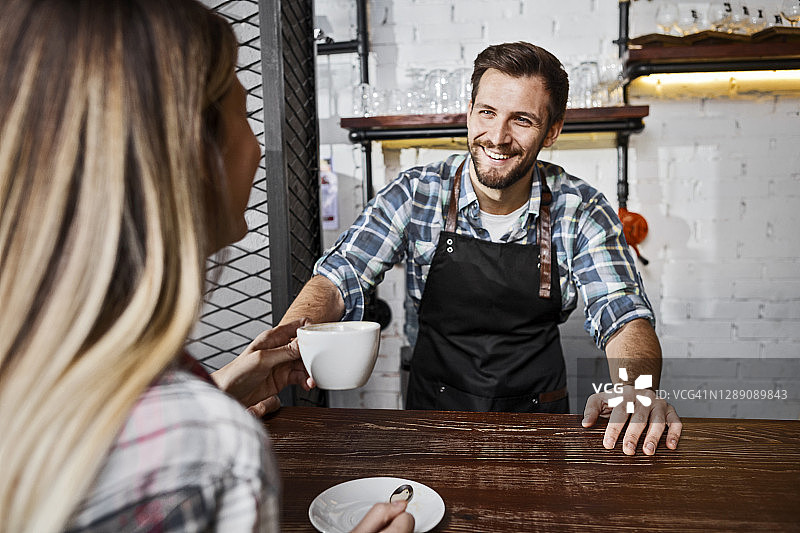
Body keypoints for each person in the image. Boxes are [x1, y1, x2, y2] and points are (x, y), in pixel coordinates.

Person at [0, 1, 413, 532]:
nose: (261, 148)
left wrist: (219, 389)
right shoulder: (211, 455)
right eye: (242, 112)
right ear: (190, 154)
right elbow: (343, 270)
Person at [280, 42, 682, 456]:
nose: (497, 136)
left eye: (521, 119)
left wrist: (636, 389)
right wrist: (278, 351)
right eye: (487, 112)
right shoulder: (416, 193)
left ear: (553, 130)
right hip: (432, 417)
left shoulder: (581, 209)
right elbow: (339, 277)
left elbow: (623, 315)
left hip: (538, 425)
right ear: (470, 110)